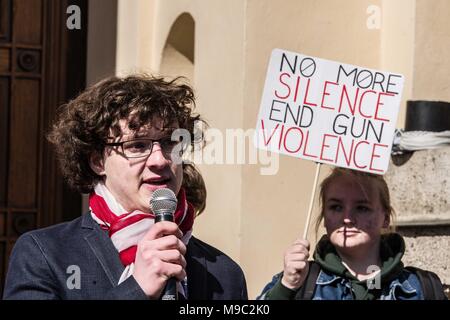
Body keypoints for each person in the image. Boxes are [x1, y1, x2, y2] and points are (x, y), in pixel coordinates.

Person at [3, 74, 248, 300]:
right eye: (138, 146)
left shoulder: (225, 274)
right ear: (98, 161)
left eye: (169, 143)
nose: (160, 160)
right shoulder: (45, 254)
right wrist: (137, 289)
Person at [258, 167, 446, 300]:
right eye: (336, 207)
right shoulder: (300, 281)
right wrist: (286, 288)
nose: (347, 218)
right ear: (324, 216)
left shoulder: (419, 289)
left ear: (385, 218)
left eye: (362, 208)